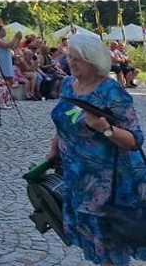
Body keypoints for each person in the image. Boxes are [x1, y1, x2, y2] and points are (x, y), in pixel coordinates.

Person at [48, 33, 146, 265]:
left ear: (93, 61)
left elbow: (135, 140)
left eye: (78, 59)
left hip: (108, 185)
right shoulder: (68, 85)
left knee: (111, 246)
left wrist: (104, 128)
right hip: (77, 179)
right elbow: (66, 120)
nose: (71, 63)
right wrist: (55, 147)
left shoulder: (111, 91)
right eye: (70, 57)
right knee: (92, 242)